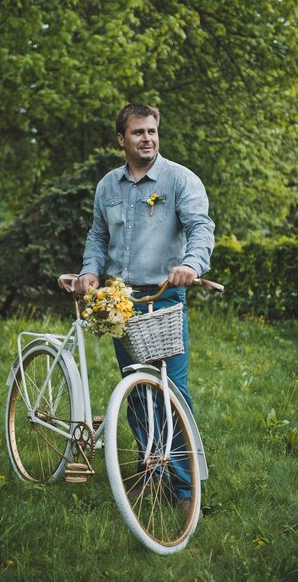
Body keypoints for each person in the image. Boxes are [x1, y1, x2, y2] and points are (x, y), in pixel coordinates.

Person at [76, 102, 215, 511]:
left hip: (163, 298)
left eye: (152, 131)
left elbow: (200, 227)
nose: (147, 138)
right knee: (135, 390)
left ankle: (187, 490)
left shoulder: (178, 180)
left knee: (171, 391)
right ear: (121, 139)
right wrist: (90, 271)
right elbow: (98, 236)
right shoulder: (108, 186)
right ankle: (151, 471)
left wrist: (191, 265)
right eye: (138, 132)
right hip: (120, 301)